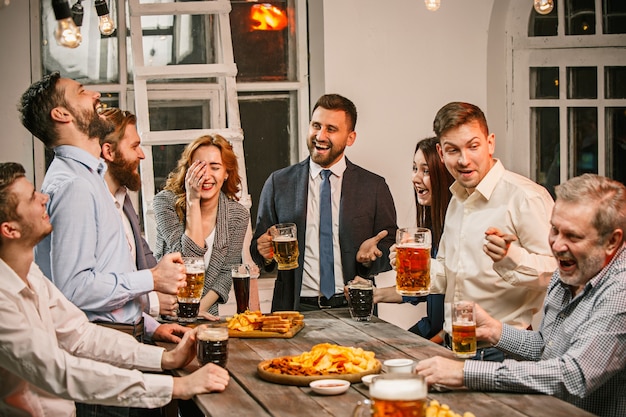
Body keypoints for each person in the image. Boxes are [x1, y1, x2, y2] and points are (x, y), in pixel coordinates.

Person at [0, 162, 229, 417]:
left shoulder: (31, 275)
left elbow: (82, 336)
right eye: (32, 198)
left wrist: (165, 359)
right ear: (10, 229)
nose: (44, 198)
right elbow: (61, 372)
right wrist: (177, 385)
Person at [19, 73, 188, 416]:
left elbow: (107, 276)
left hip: (125, 343)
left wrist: (151, 328)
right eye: (81, 92)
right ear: (62, 115)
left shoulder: (90, 179)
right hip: (101, 358)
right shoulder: (75, 187)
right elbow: (75, 290)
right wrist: (152, 279)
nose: (95, 94)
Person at [416, 174, 626, 417]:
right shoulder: (571, 268)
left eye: (573, 236)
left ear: (612, 241)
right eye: (555, 230)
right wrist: (495, 330)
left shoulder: (619, 290)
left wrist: (464, 373)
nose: (557, 246)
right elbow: (547, 348)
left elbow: (573, 375)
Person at [430, 101, 557, 361]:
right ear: (441, 153)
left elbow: (558, 273)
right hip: (455, 344)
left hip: (504, 350)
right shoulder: (458, 197)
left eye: (473, 146)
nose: (464, 160)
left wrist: (511, 258)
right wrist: (415, 266)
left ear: (490, 143)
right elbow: (448, 273)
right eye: (453, 150)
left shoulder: (525, 197)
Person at [250, 93, 398, 311]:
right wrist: (263, 252)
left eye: (331, 129)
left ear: (350, 138)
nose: (320, 135)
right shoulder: (278, 183)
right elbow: (259, 249)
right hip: (294, 308)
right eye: (316, 126)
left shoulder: (374, 187)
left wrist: (371, 259)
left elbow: (390, 246)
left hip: (353, 307)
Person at [153, 134, 254, 318]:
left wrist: (198, 310)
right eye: (199, 167)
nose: (206, 175)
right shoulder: (164, 203)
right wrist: (193, 201)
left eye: (215, 167)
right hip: (166, 314)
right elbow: (187, 262)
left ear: (226, 173)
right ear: (188, 170)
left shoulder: (238, 215)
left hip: (207, 315)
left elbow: (226, 273)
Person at [367, 137, 454, 341]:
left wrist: (425, 349)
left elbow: (459, 296)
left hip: (449, 338)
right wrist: (374, 294)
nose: (415, 178)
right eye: (414, 168)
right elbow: (423, 288)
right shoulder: (433, 226)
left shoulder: (458, 227)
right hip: (432, 328)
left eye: (426, 171)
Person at [100, 107, 177, 318]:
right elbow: (97, 287)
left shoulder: (123, 197)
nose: (142, 154)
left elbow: (143, 256)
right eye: (134, 146)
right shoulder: (93, 206)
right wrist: (151, 302)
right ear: (109, 152)